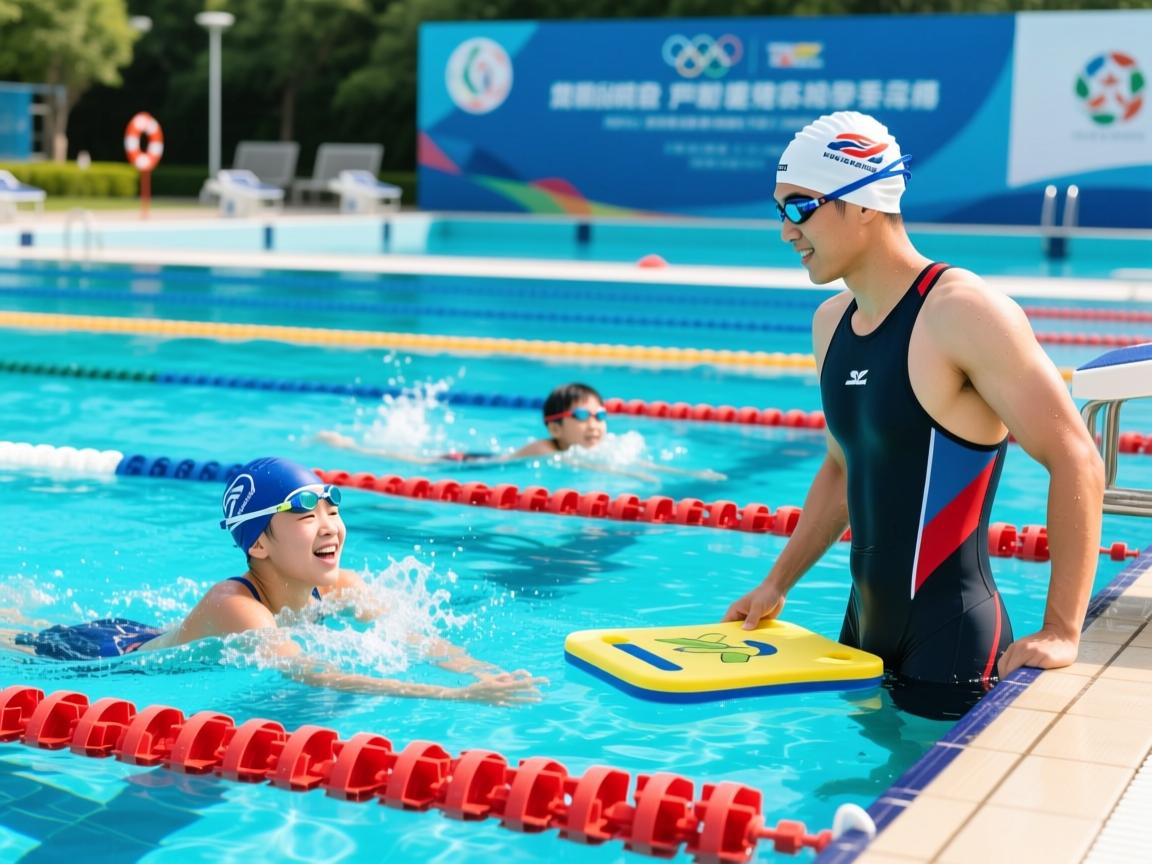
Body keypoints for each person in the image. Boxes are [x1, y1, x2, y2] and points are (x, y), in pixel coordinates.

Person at [722, 111, 1104, 714]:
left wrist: (1061, 629)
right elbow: (842, 468)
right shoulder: (831, 324)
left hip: (951, 637)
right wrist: (777, 582)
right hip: (860, 634)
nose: (786, 231)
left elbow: (1075, 456)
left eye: (800, 208)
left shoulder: (964, 311)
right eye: (780, 211)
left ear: (865, 203)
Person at [10, 457, 546, 706]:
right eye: (305, 513)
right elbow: (314, 672)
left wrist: (481, 672)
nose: (330, 522)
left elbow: (414, 636)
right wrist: (451, 697)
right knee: (14, 638)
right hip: (100, 654)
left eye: (332, 505)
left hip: (135, 628)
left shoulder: (338, 584)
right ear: (258, 543)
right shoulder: (235, 606)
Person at [317, 381, 726, 481]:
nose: (596, 426)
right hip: (468, 463)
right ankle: (347, 444)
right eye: (584, 418)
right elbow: (613, 470)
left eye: (601, 416)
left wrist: (686, 477)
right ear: (557, 425)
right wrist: (635, 477)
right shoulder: (542, 448)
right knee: (416, 460)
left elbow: (630, 460)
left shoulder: (594, 444)